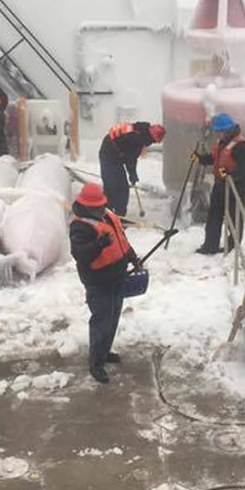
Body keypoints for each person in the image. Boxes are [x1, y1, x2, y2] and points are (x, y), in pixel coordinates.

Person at [68, 183, 140, 383]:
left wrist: (133, 258)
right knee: (102, 321)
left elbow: (121, 239)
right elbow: (80, 254)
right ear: (87, 206)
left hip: (117, 276)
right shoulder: (80, 226)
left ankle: (105, 351)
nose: (101, 209)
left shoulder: (107, 216)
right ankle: (96, 363)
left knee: (114, 316)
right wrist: (98, 245)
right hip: (98, 282)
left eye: (102, 205)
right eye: (97, 207)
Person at [195, 114, 245, 255]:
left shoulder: (241, 146)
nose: (217, 134)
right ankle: (210, 246)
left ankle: (233, 247)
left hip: (236, 188)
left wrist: (229, 176)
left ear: (227, 131)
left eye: (219, 132)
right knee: (214, 216)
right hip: (220, 185)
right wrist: (200, 159)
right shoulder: (223, 143)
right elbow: (215, 159)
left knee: (234, 218)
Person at [99, 122, 166, 216]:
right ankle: (117, 215)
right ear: (151, 137)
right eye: (153, 141)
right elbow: (130, 159)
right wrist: (133, 175)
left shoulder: (141, 130)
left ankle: (108, 213)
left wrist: (132, 174)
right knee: (119, 188)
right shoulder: (138, 138)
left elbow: (130, 156)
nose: (151, 143)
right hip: (109, 153)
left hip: (113, 149)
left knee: (114, 185)